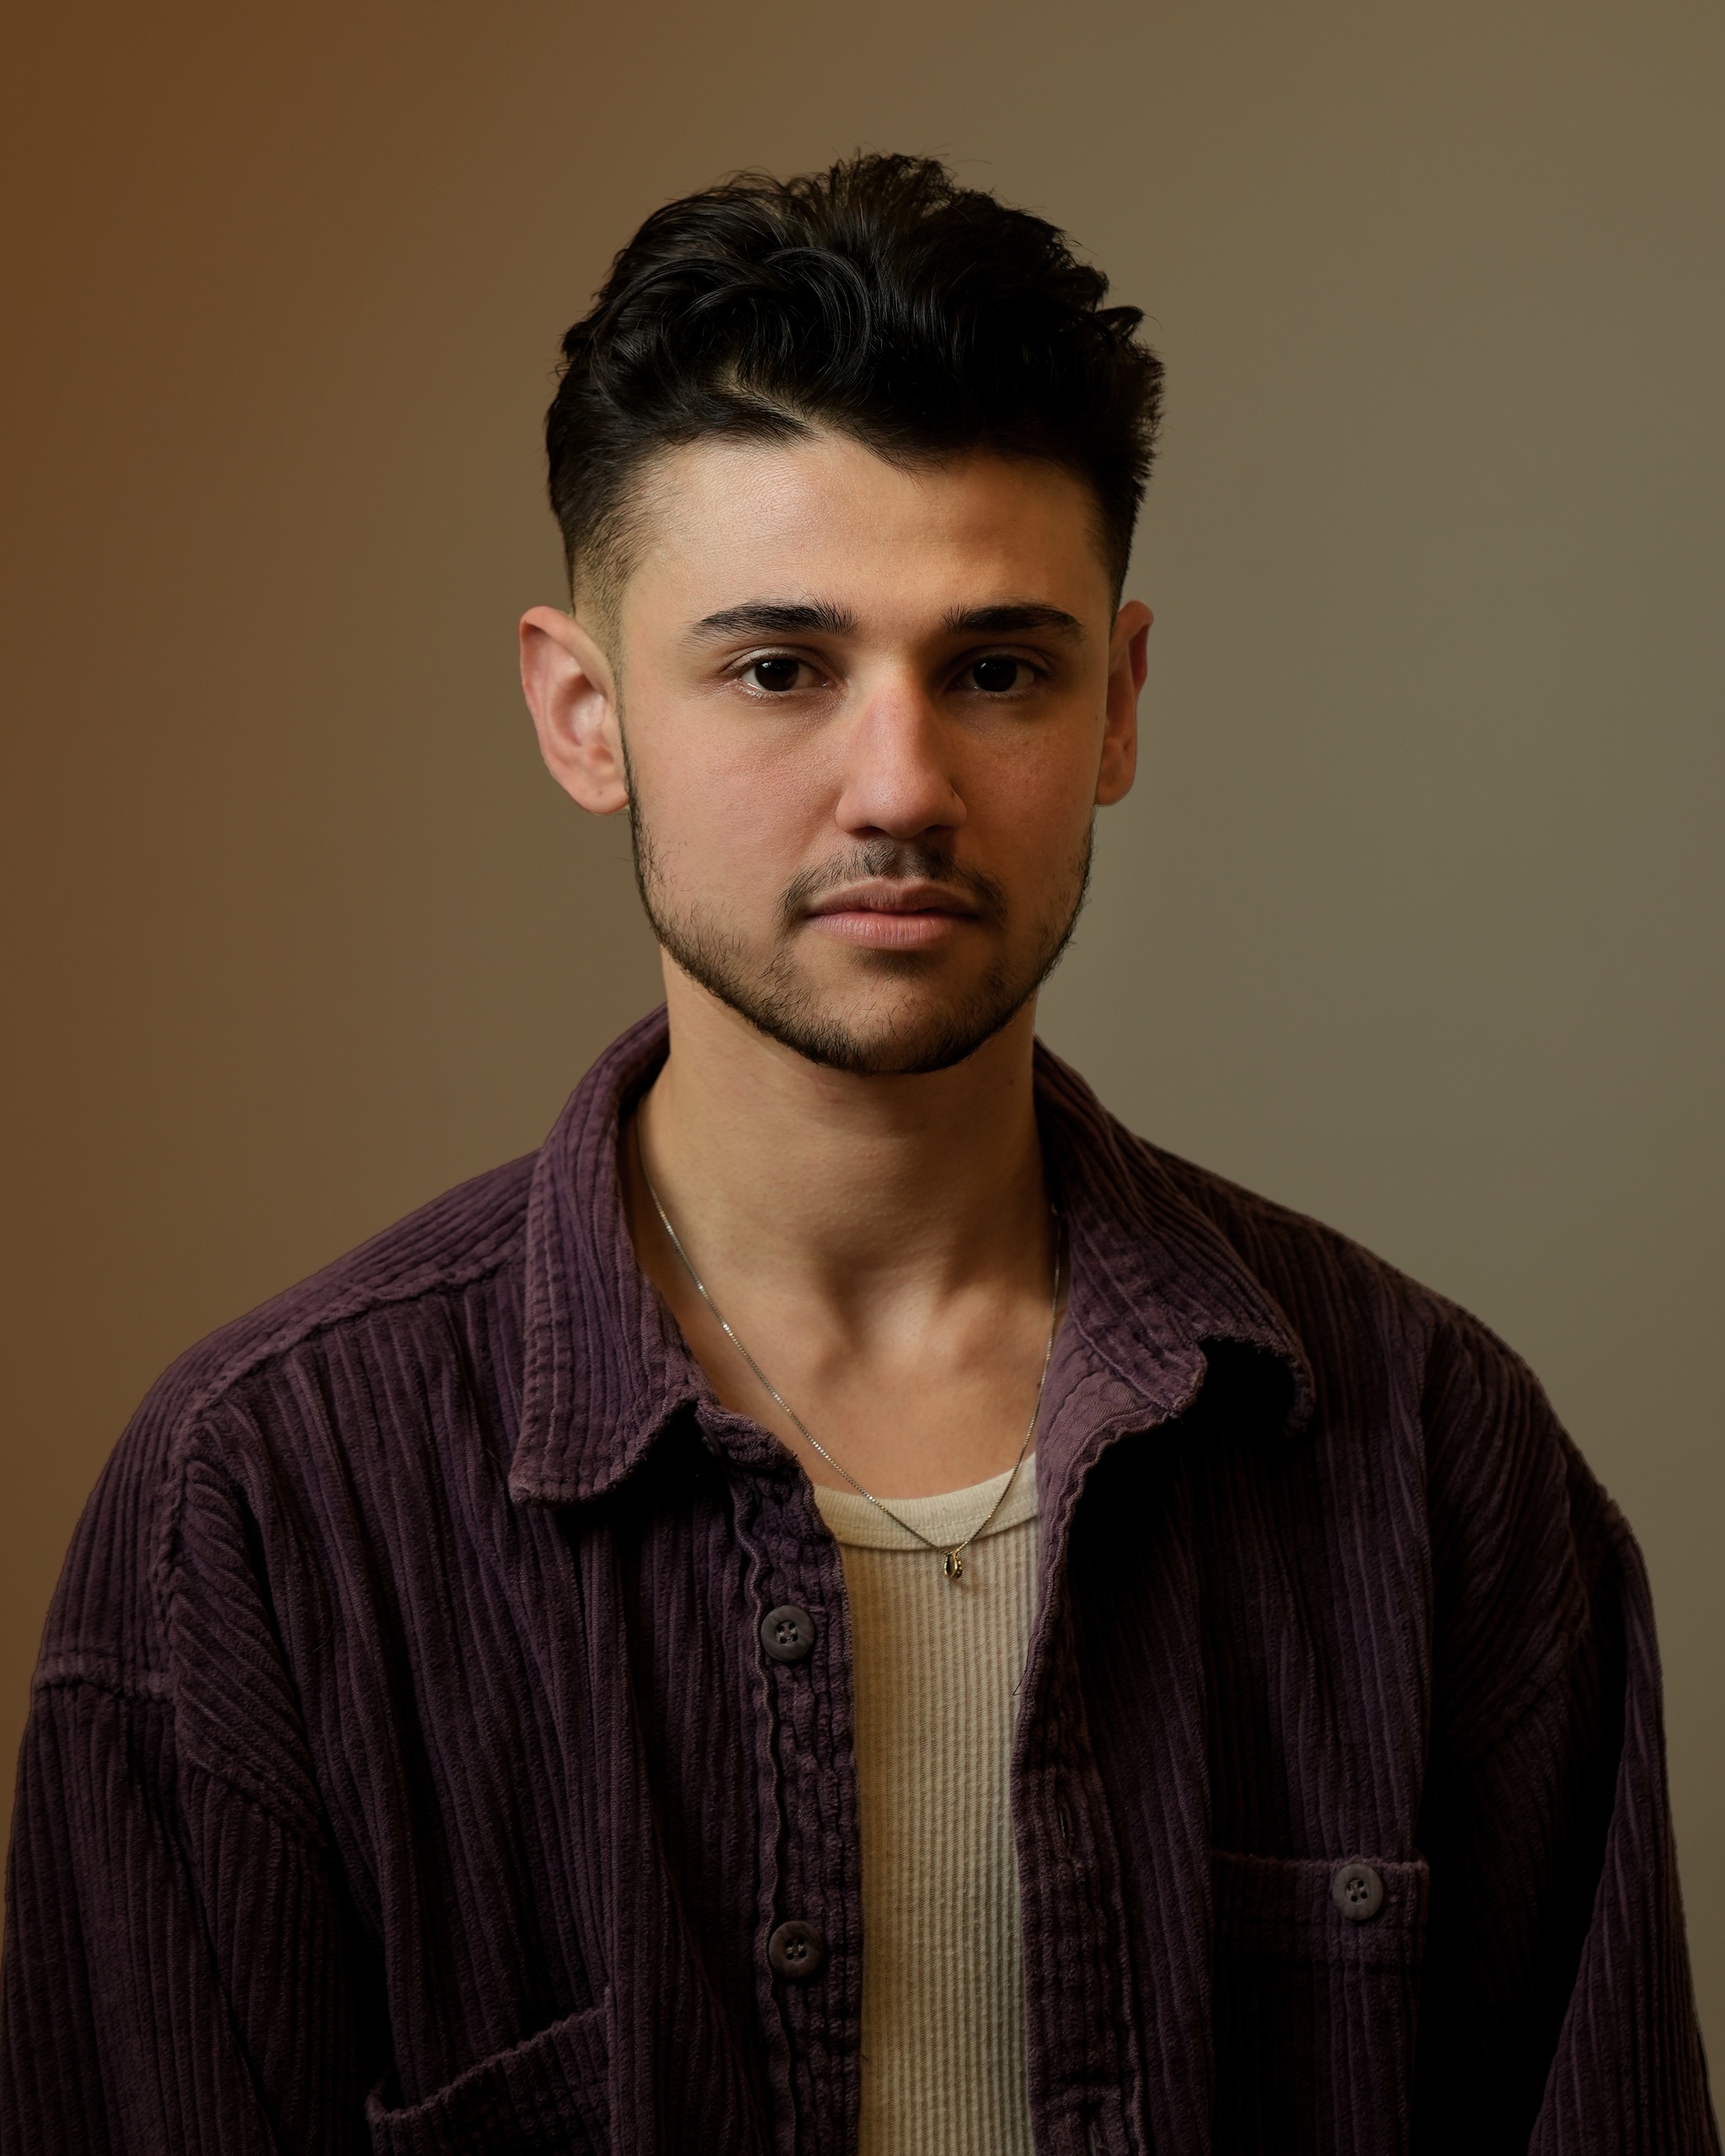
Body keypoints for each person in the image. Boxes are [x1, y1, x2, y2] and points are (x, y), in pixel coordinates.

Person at [0, 153, 1714, 2156]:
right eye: (777, 667)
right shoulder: (261, 1524)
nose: (899, 781)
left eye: (995, 668)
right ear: (581, 711)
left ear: (1119, 708)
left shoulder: (1436, 1465)